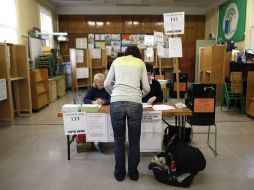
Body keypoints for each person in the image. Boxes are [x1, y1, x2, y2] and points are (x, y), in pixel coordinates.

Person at [104, 46, 150, 181]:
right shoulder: (140, 63)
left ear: (126, 53)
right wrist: (139, 95)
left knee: (119, 140)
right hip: (135, 103)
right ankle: (133, 173)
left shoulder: (116, 61)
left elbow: (107, 84)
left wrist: (115, 95)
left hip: (116, 103)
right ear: (137, 55)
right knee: (134, 141)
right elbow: (147, 88)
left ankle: (119, 174)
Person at [83, 73, 110, 152]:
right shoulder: (91, 89)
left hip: (105, 112)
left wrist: (103, 101)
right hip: (94, 113)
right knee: (95, 124)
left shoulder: (107, 88)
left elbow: (112, 99)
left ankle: (102, 138)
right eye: (100, 82)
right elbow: (85, 100)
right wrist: (93, 102)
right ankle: (97, 140)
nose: (102, 83)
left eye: (103, 81)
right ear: (95, 83)